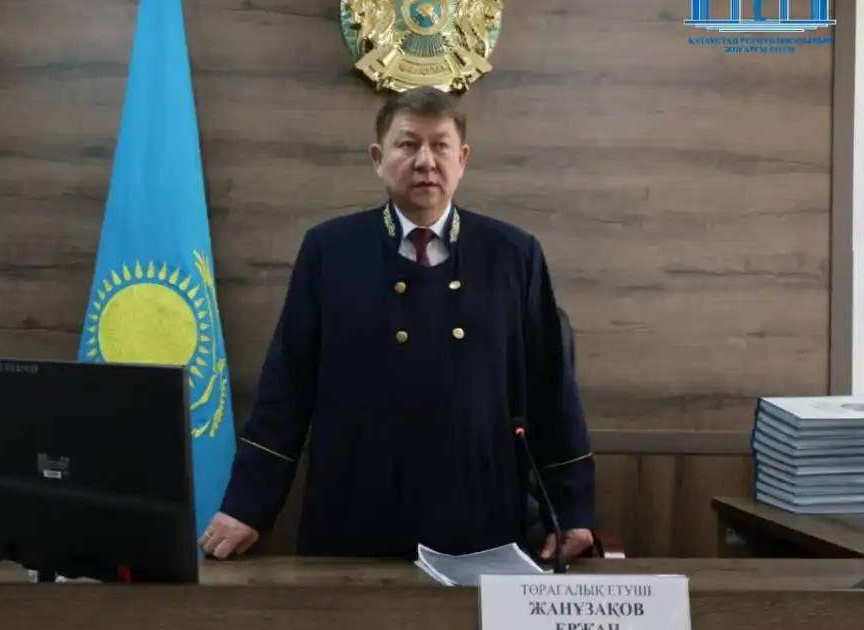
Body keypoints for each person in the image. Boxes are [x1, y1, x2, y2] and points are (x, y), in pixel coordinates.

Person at [198, 87, 595, 562]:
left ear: (462, 158)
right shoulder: (330, 251)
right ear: (378, 158)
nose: (425, 161)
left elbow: (552, 391)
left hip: (481, 521)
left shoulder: (513, 254)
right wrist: (248, 505)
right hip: (355, 516)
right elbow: (286, 389)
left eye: (440, 145)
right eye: (408, 144)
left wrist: (572, 507)